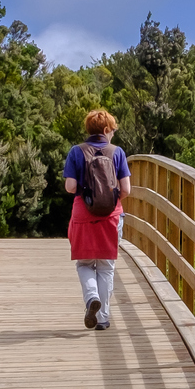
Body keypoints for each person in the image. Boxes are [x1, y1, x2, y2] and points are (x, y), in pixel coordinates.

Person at [64, 109, 132, 330]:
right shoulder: (117, 152)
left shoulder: (76, 152)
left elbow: (71, 187)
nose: (113, 134)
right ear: (105, 130)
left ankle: (91, 296)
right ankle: (102, 318)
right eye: (112, 130)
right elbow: (126, 190)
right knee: (106, 266)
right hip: (111, 217)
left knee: (84, 263)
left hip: (83, 214)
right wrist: (109, 200)